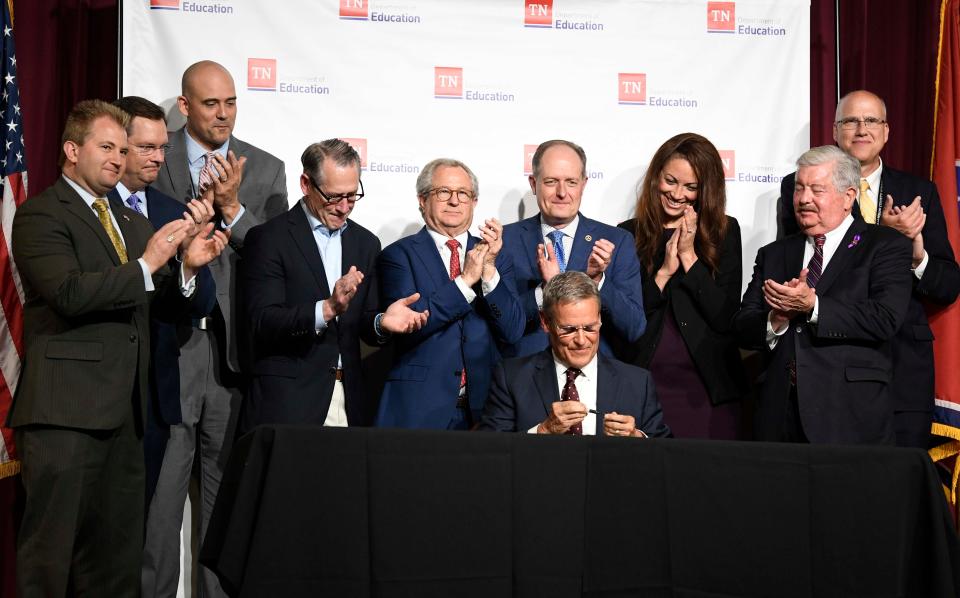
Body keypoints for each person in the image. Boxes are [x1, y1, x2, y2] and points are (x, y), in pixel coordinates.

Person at [9, 99, 225, 597]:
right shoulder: (41, 214)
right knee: (52, 555)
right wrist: (147, 265)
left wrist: (188, 267)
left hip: (129, 416)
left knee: (116, 560)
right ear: (71, 150)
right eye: (107, 147)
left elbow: (159, 303)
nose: (118, 157)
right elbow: (68, 293)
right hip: (66, 416)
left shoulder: (130, 223)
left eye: (122, 149)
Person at [147, 60, 288, 598]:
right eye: (211, 104)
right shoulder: (153, 162)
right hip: (170, 346)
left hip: (232, 356)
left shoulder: (265, 170)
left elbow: (273, 257)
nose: (224, 113)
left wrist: (232, 209)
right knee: (160, 502)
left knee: (220, 499)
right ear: (185, 106)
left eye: (231, 102)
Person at [777, 90, 960, 448]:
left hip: (903, 364)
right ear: (834, 130)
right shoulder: (799, 187)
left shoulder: (918, 191)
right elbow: (805, 265)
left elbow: (948, 283)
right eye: (850, 121)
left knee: (897, 486)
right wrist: (888, 240)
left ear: (887, 131)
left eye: (871, 120)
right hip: (834, 363)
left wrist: (914, 255)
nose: (861, 129)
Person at [241, 139, 428, 430]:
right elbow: (261, 321)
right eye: (333, 197)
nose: (343, 208)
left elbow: (364, 322)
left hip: (350, 401)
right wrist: (326, 309)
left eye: (352, 197)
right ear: (306, 184)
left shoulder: (365, 243)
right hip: (289, 402)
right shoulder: (269, 239)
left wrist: (382, 322)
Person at [737, 145, 913, 445]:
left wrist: (813, 305)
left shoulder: (884, 245)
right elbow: (742, 327)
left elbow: (885, 318)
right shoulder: (775, 254)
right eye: (799, 189)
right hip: (779, 416)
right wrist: (777, 318)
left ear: (848, 197)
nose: (804, 199)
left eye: (816, 189)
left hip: (849, 414)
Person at [108, 95, 218, 510]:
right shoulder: (94, 206)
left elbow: (201, 301)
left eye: (162, 148)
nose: (158, 158)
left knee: (136, 525)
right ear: (119, 145)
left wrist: (190, 267)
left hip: (155, 395)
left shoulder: (174, 211)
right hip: (102, 391)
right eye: (146, 147)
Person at [375, 159, 525, 429]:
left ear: (474, 202)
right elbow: (411, 324)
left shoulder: (496, 256)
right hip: (420, 408)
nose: (454, 201)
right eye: (443, 192)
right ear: (422, 199)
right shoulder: (398, 255)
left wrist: (489, 271)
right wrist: (466, 282)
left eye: (463, 194)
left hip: (485, 408)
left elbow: (513, 330)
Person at [618, 133, 746, 439]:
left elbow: (724, 317)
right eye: (670, 181)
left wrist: (689, 257)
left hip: (706, 390)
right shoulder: (628, 235)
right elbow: (628, 319)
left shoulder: (724, 232)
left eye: (691, 187)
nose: (677, 194)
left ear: (706, 191)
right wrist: (663, 273)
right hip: (643, 384)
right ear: (656, 177)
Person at [499, 139, 645, 359]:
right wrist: (546, 289)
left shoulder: (617, 240)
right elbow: (500, 325)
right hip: (525, 379)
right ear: (533, 183)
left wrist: (597, 281)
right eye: (551, 181)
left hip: (594, 381)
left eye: (571, 182)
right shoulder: (504, 241)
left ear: (584, 184)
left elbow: (634, 328)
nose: (562, 192)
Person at [478, 271, 670, 437]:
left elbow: (664, 454)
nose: (581, 340)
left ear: (600, 320)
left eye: (589, 328)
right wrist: (543, 431)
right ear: (545, 322)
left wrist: (636, 437)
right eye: (569, 330)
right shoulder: (511, 378)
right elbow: (492, 453)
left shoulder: (637, 382)